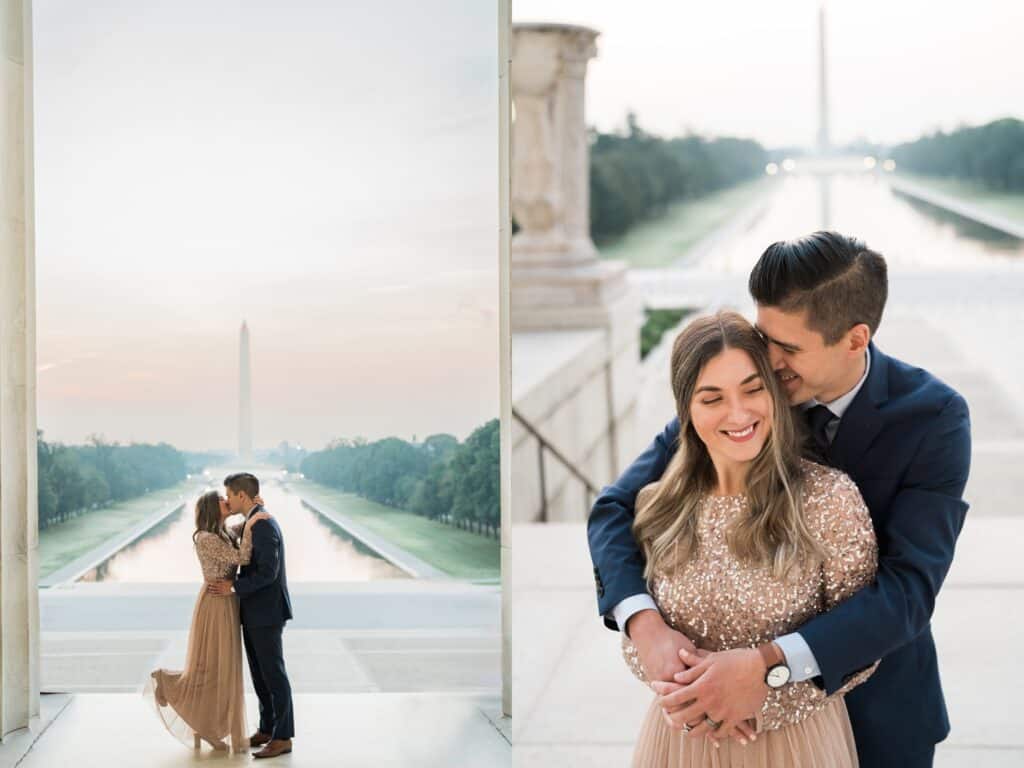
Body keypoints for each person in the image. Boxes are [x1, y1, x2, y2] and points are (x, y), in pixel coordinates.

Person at [589, 231, 971, 767]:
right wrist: (643, 624)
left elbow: (907, 591)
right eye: (765, 336)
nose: (768, 359)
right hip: (722, 730)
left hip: (881, 710)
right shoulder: (745, 399)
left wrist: (767, 665)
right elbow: (613, 510)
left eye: (788, 348)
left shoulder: (934, 419)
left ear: (855, 339)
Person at [621, 310, 878, 766]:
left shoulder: (829, 500)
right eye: (712, 398)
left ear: (776, 393)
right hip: (681, 743)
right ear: (687, 409)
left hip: (796, 746)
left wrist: (760, 700)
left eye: (753, 389)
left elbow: (863, 645)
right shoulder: (656, 507)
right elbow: (637, 640)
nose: (738, 413)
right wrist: (692, 696)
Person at [147, 490, 270, 753]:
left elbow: (238, 530)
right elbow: (242, 557)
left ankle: (207, 727)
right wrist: (251, 524)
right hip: (215, 604)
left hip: (226, 601)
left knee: (220, 669)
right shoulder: (206, 538)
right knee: (212, 669)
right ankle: (166, 684)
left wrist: (252, 511)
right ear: (211, 509)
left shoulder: (222, 532)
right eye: (222, 501)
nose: (227, 501)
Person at [208, 472, 295, 760]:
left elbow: (268, 573)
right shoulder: (253, 521)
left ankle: (282, 737)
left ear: (241, 496)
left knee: (274, 675)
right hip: (255, 611)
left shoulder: (264, 525)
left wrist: (233, 585)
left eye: (230, 495)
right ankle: (268, 728)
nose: (228, 500)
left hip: (267, 612)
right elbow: (237, 538)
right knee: (260, 675)